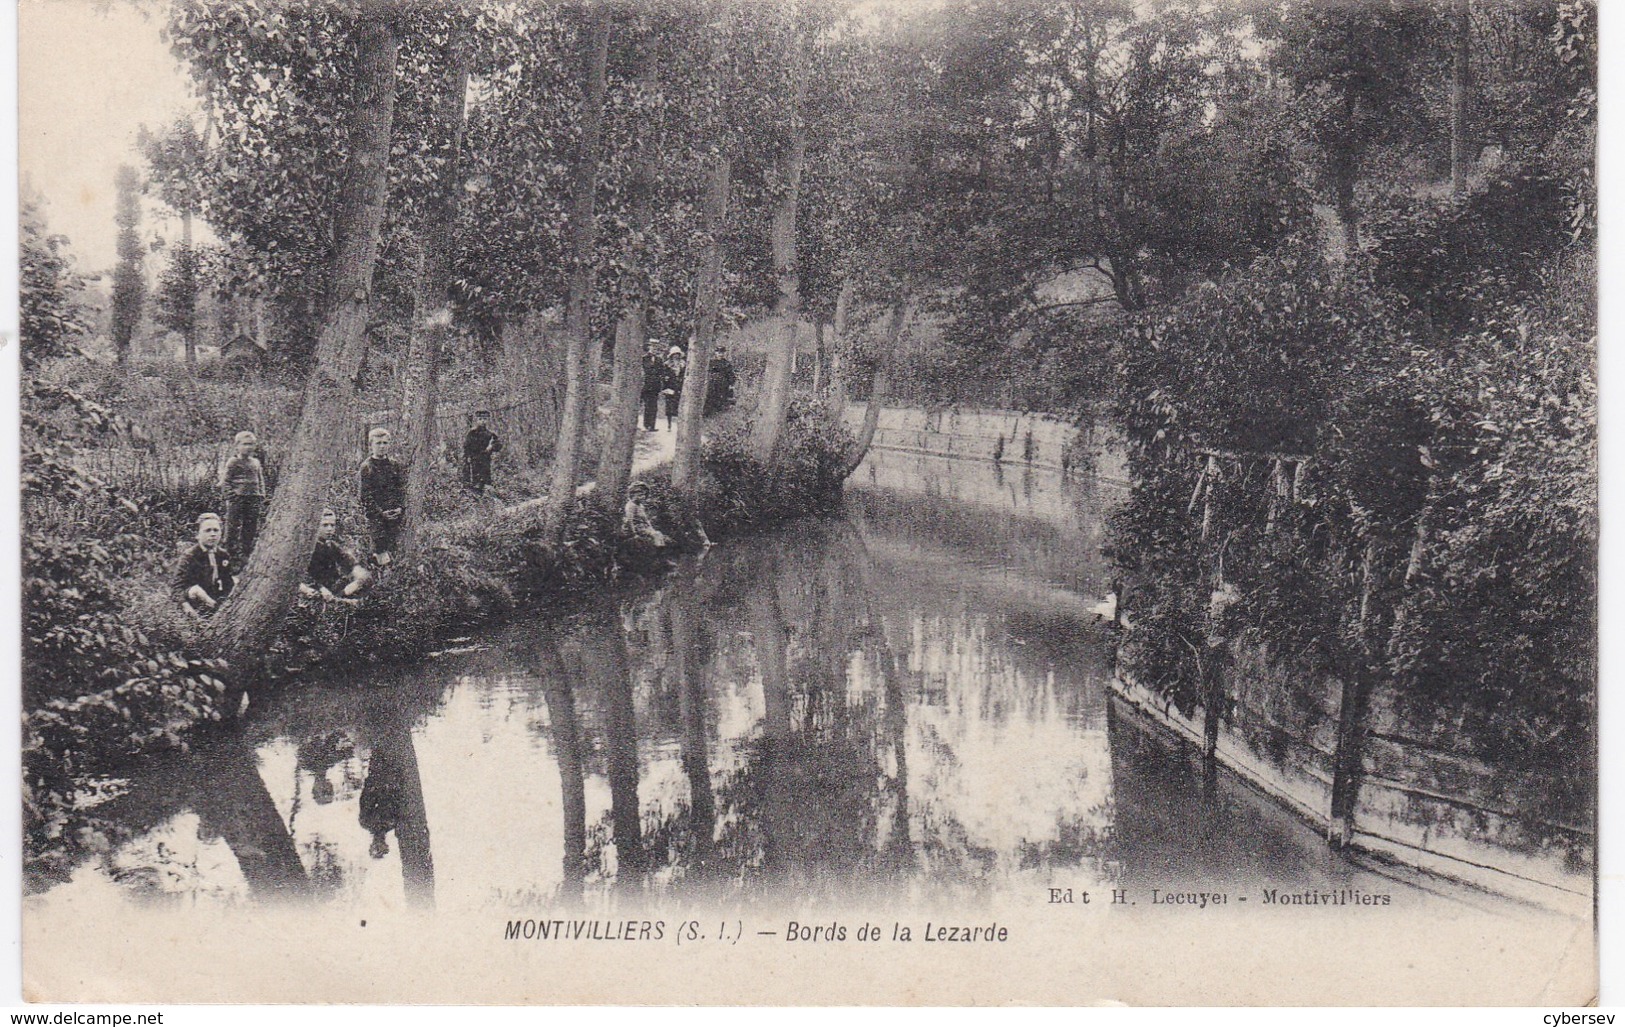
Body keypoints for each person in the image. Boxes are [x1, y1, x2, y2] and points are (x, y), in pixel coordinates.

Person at [301, 508, 372, 604]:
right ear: (315, 526)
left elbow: (349, 562)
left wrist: (360, 578)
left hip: (334, 589)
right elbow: (303, 575)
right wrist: (316, 588)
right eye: (325, 525)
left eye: (332, 525)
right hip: (315, 590)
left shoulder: (331, 545)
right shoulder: (306, 548)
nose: (329, 529)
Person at [359, 427, 406, 566]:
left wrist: (399, 507)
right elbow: (365, 496)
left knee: (397, 549)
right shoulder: (367, 467)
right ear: (371, 445)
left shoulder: (395, 465)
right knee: (381, 550)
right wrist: (380, 513)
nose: (382, 446)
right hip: (377, 517)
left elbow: (401, 489)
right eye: (378, 443)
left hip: (396, 514)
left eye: (385, 443)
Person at [174, 512, 235, 616]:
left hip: (214, 599)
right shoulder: (190, 555)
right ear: (198, 534)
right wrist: (186, 607)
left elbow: (227, 583)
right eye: (208, 530)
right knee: (196, 590)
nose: (213, 534)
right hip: (195, 600)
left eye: (216, 530)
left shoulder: (222, 555)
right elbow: (177, 588)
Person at [219, 430, 267, 559]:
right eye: (245, 444)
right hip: (237, 498)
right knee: (232, 525)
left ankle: (246, 551)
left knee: (250, 525)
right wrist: (232, 496)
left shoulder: (255, 462)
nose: (248, 447)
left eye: (251, 444)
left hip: (253, 498)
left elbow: (260, 479)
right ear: (237, 446)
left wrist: (261, 494)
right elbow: (225, 481)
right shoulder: (233, 462)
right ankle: (229, 552)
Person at [462, 410, 503, 493]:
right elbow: (466, 447)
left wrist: (491, 447)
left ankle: (486, 495)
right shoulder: (472, 433)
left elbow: (499, 445)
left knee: (486, 479)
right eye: (480, 419)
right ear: (477, 420)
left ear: (487, 420)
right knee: (474, 480)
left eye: (484, 419)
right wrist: (467, 457)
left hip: (485, 460)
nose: (482, 421)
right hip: (474, 460)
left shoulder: (490, 434)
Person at [622, 481, 670, 548]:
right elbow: (630, 520)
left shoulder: (640, 506)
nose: (643, 497)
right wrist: (634, 534)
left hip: (643, 527)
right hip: (636, 527)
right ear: (633, 495)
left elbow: (646, 519)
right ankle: (659, 550)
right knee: (656, 535)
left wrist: (651, 528)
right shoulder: (631, 506)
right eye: (640, 495)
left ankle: (661, 549)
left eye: (644, 495)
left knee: (658, 533)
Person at [704, 345, 736, 417]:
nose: (720, 354)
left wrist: (731, 385)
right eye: (718, 352)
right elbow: (706, 373)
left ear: (724, 353)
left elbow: (731, 376)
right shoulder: (711, 363)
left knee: (721, 402)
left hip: (722, 386)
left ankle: (718, 416)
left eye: (722, 352)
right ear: (715, 353)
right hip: (711, 385)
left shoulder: (727, 364)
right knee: (710, 400)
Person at [640, 340, 666, 432]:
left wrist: (662, 385)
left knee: (653, 406)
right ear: (650, 347)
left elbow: (662, 373)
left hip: (655, 386)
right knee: (646, 405)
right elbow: (644, 370)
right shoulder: (644, 358)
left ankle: (652, 426)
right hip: (645, 385)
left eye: (656, 347)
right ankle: (645, 425)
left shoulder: (659, 360)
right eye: (653, 347)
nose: (655, 349)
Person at [662, 345, 688, 430]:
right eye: (674, 354)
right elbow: (664, 376)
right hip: (670, 386)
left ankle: (679, 425)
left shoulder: (683, 364)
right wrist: (665, 388)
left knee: (679, 406)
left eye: (677, 354)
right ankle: (669, 424)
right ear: (671, 355)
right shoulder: (667, 364)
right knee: (669, 406)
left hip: (679, 387)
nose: (676, 356)